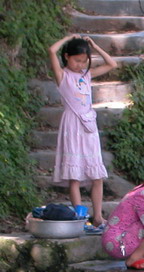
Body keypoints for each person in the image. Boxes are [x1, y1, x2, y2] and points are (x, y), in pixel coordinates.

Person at [48, 34, 118, 234]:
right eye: (77, 60)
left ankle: (98, 217)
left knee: (97, 175)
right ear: (67, 57)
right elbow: (52, 51)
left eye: (84, 61)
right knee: (75, 176)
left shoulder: (86, 75)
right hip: (72, 125)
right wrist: (69, 37)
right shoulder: (62, 76)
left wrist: (94, 46)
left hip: (89, 126)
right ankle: (80, 217)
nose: (80, 65)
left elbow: (112, 64)